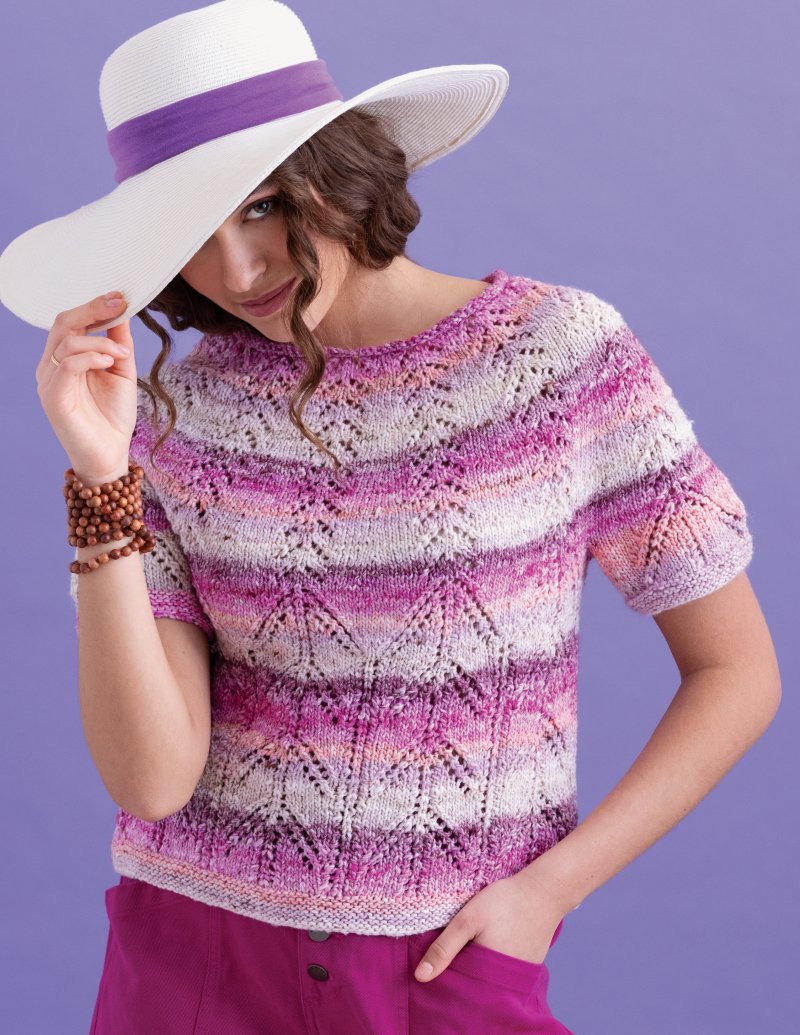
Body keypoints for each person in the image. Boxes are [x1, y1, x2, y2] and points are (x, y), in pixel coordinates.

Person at [4, 3, 780, 1034]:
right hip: (190, 959)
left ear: (343, 167)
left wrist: (548, 890)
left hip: (439, 961)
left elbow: (736, 670)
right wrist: (100, 474)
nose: (239, 271)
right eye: (193, 232)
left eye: (264, 205)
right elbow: (152, 779)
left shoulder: (557, 357)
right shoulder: (172, 420)